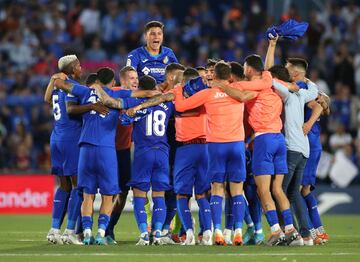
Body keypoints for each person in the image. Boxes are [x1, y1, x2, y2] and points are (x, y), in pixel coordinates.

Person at [50, 67, 159, 245]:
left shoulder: (85, 91)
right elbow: (148, 94)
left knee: (87, 194)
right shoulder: (121, 94)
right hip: (107, 149)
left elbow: (60, 84)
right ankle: (101, 233)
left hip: (85, 148)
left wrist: (59, 76)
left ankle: (86, 232)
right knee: (109, 195)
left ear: (97, 80)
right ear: (114, 82)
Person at [213, 55, 301, 246]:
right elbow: (286, 83)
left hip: (264, 139)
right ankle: (291, 231)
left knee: (263, 191)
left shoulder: (255, 88)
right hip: (279, 138)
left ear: (250, 70)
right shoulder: (274, 87)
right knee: (277, 189)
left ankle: (276, 231)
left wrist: (221, 86)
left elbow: (243, 96)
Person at [174, 61, 256, 246]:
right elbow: (254, 91)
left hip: (216, 145)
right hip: (236, 145)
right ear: (230, 76)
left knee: (217, 189)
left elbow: (180, 107)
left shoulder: (207, 93)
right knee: (236, 191)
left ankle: (217, 231)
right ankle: (237, 231)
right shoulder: (239, 90)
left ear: (214, 75)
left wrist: (178, 89)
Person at [44, 55, 108, 245]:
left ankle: (54, 229)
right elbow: (71, 110)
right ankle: (70, 231)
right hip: (71, 139)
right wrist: (92, 106)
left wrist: (51, 80)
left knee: (63, 186)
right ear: (72, 69)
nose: (81, 68)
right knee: (79, 186)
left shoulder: (57, 86)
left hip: (56, 138)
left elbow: (46, 98)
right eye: (79, 65)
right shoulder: (71, 86)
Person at [105, 66, 139, 244]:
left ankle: (110, 227)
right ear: (123, 80)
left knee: (124, 191)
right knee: (108, 191)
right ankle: (88, 229)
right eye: (132, 78)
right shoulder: (113, 93)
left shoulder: (138, 97)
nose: (136, 81)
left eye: (137, 78)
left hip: (124, 150)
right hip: (106, 149)